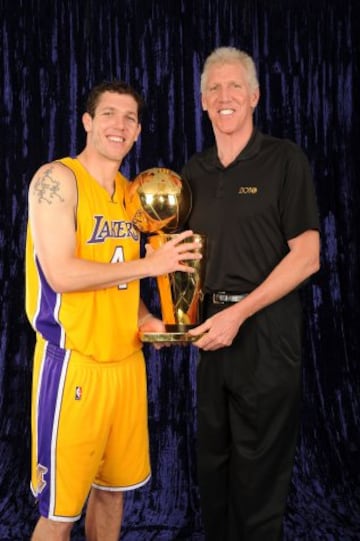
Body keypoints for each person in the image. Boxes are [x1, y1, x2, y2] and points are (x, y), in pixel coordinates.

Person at [25, 80, 201, 541]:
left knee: (113, 493)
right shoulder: (56, 180)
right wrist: (154, 264)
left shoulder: (132, 194)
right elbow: (61, 274)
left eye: (129, 118)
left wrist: (146, 319)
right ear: (87, 122)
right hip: (75, 366)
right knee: (61, 514)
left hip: (126, 367)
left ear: (138, 130)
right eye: (108, 114)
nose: (118, 125)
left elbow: (121, 278)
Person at [183, 47, 321, 541]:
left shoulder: (283, 160)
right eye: (214, 88)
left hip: (265, 336)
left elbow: (307, 256)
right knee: (214, 469)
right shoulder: (193, 173)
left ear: (254, 96)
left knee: (258, 479)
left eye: (235, 86)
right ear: (202, 101)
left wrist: (238, 314)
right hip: (209, 337)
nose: (225, 96)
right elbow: (182, 258)